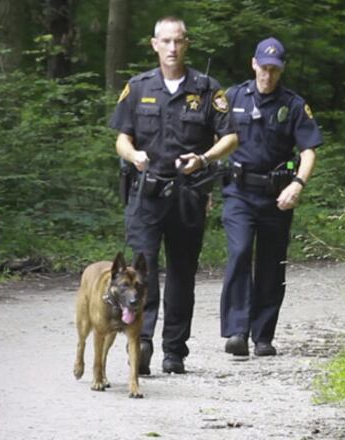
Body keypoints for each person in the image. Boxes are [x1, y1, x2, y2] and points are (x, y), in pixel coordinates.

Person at [109, 16, 238, 374]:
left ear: (187, 43)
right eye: (165, 41)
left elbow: (230, 137)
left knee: (182, 274)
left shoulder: (207, 89)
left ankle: (174, 351)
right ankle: (143, 343)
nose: (172, 48)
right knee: (141, 272)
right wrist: (133, 155)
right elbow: (122, 137)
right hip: (145, 196)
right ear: (154, 45)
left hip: (187, 196)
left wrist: (205, 158)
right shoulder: (138, 87)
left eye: (178, 41)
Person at [220, 37, 322, 357]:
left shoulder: (293, 105)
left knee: (271, 264)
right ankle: (237, 331)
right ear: (254, 64)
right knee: (238, 253)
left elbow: (308, 151)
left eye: (274, 70)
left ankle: (263, 335)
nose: (268, 75)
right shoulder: (233, 97)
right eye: (263, 68)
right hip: (238, 191)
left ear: (281, 70)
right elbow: (213, 140)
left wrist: (298, 184)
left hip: (276, 195)